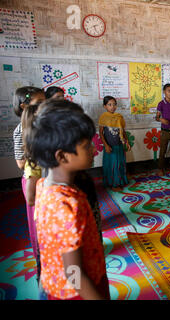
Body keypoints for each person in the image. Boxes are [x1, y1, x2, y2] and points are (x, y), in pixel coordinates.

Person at [27, 100, 109, 300]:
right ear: (62, 156)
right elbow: (74, 273)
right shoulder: (66, 205)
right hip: (75, 292)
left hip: (58, 282)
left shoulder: (44, 187)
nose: (92, 148)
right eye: (86, 145)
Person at [12, 86, 45, 283]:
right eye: (39, 103)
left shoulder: (44, 125)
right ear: (25, 106)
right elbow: (20, 163)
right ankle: (43, 266)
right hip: (35, 182)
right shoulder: (21, 131)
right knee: (38, 225)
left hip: (49, 179)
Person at [98, 96, 130, 191]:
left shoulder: (119, 117)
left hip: (119, 145)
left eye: (114, 104)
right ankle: (113, 184)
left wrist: (126, 141)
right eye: (109, 104)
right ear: (104, 106)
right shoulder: (103, 117)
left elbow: (122, 130)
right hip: (110, 146)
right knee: (112, 165)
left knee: (120, 164)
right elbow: (101, 133)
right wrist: (106, 145)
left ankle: (120, 181)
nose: (112, 107)